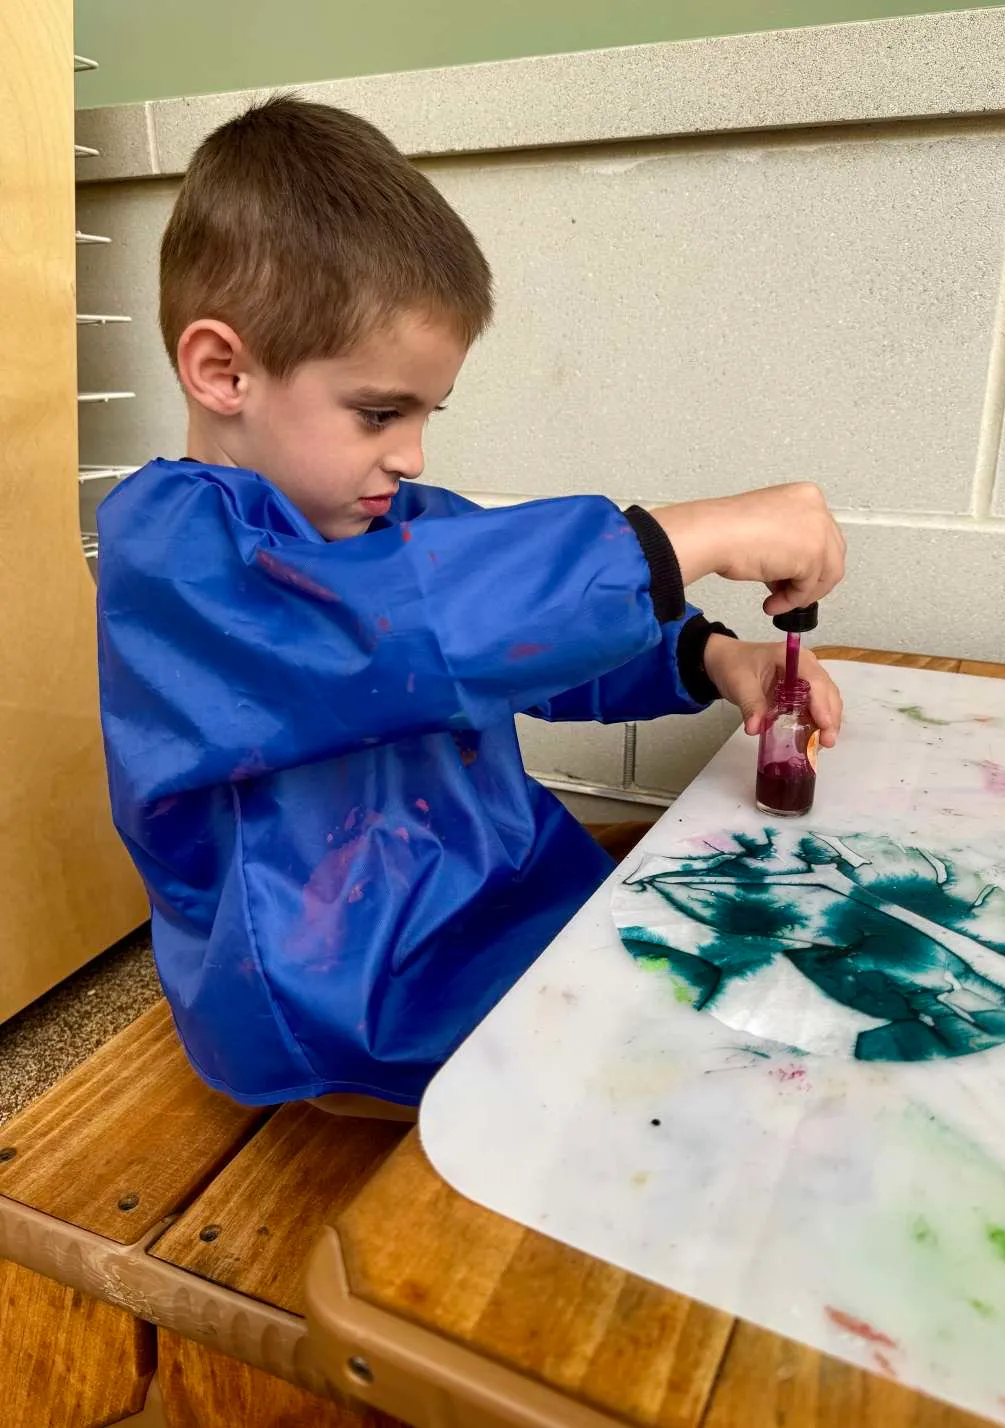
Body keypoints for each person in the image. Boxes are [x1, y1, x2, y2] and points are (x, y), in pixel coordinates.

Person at [96, 96, 846, 1113]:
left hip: (502, 903)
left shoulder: (401, 520)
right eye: (378, 413)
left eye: (425, 414)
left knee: (774, 992)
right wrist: (687, 537)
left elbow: (526, 638)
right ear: (223, 370)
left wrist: (714, 658)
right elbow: (395, 631)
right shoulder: (174, 552)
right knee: (706, 1087)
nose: (410, 455)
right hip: (341, 1000)